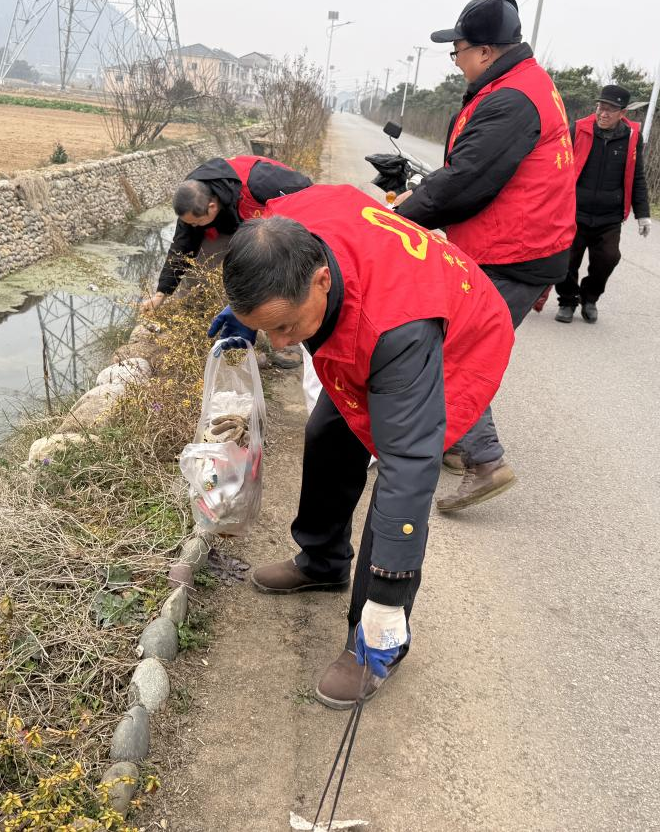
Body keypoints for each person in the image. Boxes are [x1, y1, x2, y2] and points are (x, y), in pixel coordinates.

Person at [214, 184, 514, 708]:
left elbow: (410, 466)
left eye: (285, 327)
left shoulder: (398, 332)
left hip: (451, 330)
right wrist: (245, 317)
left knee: (392, 468)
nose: (281, 344)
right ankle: (324, 560)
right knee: (328, 433)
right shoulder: (287, 223)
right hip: (368, 305)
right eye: (269, 329)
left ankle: (374, 642)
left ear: (321, 279)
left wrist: (387, 598)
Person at [393, 0, 575, 512]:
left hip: (515, 252)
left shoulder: (511, 98)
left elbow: (469, 179)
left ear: (487, 52)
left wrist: (399, 218)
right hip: (519, 245)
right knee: (451, 343)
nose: (456, 61)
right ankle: (452, 443)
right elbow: (469, 167)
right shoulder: (518, 84)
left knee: (449, 351)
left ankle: (484, 461)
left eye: (459, 50)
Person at [139, 155, 311, 313]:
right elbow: (181, 246)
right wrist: (161, 294)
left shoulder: (259, 181)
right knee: (198, 271)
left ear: (211, 207)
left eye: (195, 223)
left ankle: (262, 315)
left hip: (265, 221)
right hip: (230, 223)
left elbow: (306, 190)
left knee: (259, 266)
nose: (191, 226)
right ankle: (196, 313)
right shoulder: (192, 200)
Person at [554, 84, 651, 324]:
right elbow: (557, 165)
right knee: (566, 259)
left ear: (623, 113)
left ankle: (590, 298)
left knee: (608, 257)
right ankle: (567, 301)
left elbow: (636, 176)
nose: (603, 114)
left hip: (609, 216)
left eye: (610, 109)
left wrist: (643, 214)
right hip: (575, 211)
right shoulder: (578, 130)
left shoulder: (631, 138)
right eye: (600, 107)